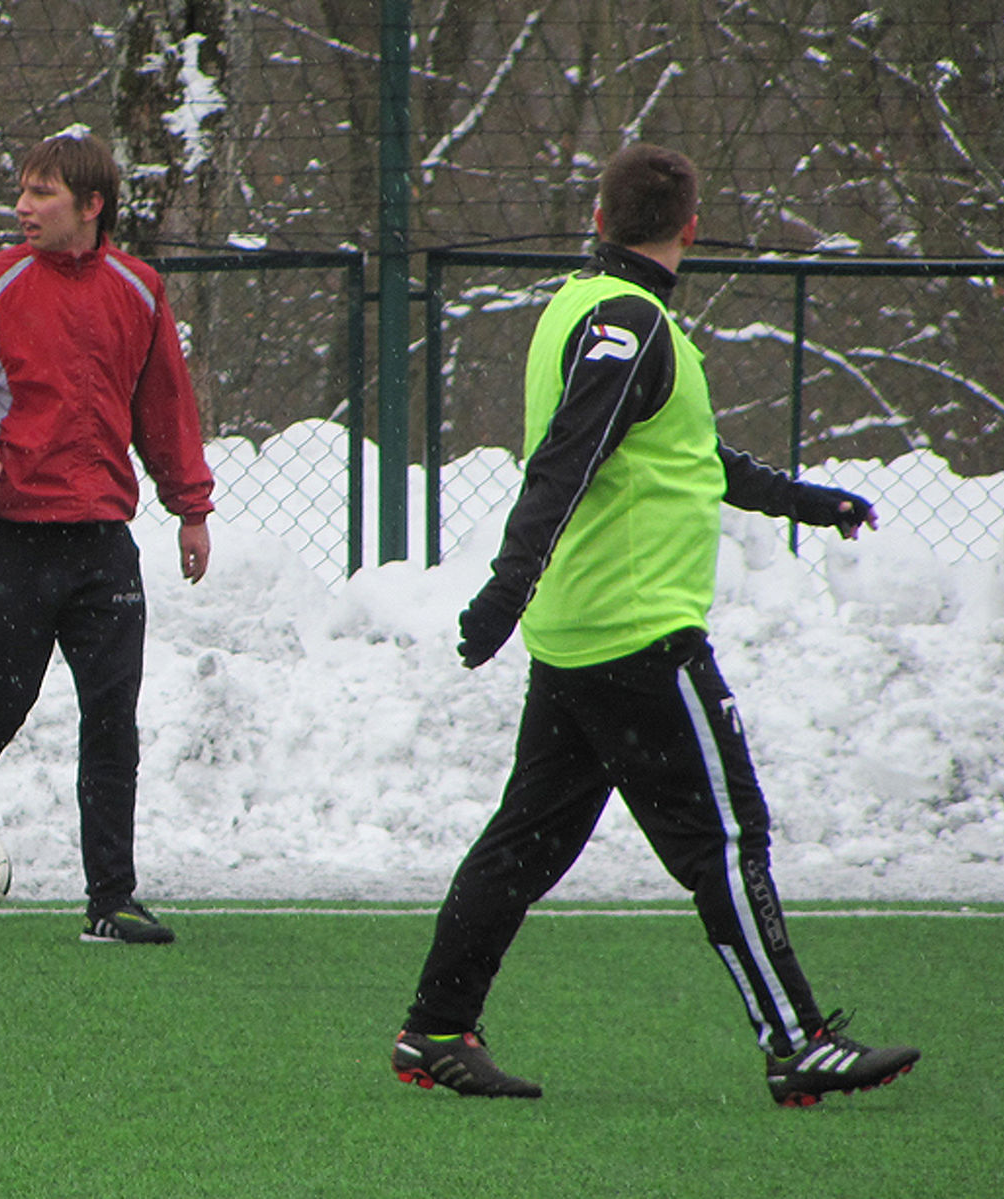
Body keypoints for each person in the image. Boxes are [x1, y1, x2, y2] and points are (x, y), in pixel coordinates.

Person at [390, 144, 919, 1104]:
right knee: (727, 835)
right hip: (639, 639)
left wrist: (804, 501)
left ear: (596, 220)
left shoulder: (581, 310)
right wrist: (504, 588)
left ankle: (434, 1028)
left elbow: (686, 455)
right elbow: (569, 457)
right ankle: (796, 1041)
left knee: (523, 843)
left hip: (582, 637)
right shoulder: (633, 326)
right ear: (690, 229)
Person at [0, 133, 215, 944]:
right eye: (22, 192)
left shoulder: (139, 289)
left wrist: (191, 507)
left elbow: (164, 405)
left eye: (42, 194)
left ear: (91, 205)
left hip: (103, 540)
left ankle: (111, 900)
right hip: (12, 541)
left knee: (112, 717)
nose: (23, 207)